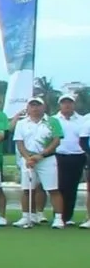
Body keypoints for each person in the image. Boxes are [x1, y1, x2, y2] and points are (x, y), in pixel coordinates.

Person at [13, 96, 64, 229]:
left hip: (47, 159)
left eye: (38, 105)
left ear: (43, 107)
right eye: (32, 105)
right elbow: (19, 143)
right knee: (27, 189)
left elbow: (56, 141)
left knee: (52, 189)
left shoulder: (52, 121)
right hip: (28, 159)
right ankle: (26, 216)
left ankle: (58, 219)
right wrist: (28, 158)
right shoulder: (21, 123)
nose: (35, 108)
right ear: (28, 108)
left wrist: (41, 155)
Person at [49, 93, 86, 225]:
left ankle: (68, 217)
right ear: (60, 105)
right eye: (64, 103)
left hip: (77, 156)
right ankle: (59, 216)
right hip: (59, 156)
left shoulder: (82, 120)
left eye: (69, 102)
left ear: (73, 104)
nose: (67, 105)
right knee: (59, 186)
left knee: (72, 187)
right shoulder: (53, 120)